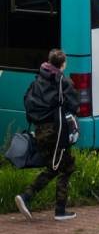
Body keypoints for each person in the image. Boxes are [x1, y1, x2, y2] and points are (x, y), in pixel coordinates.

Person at [15, 49, 78, 222]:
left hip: (40, 131)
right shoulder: (62, 82)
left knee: (54, 166)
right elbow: (74, 104)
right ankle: (57, 209)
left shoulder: (38, 80)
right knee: (66, 166)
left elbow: (27, 100)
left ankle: (27, 197)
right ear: (63, 64)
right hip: (56, 133)